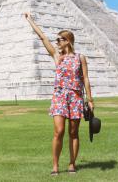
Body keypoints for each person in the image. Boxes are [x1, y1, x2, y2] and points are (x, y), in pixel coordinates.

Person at [25, 12, 94, 175]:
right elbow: (43, 38)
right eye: (56, 40)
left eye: (59, 40)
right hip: (60, 96)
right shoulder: (57, 57)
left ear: (68, 41)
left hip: (76, 97)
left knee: (73, 132)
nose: (56, 43)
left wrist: (90, 99)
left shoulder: (80, 58)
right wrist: (30, 20)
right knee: (59, 131)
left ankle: (72, 164)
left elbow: (85, 79)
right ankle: (55, 165)